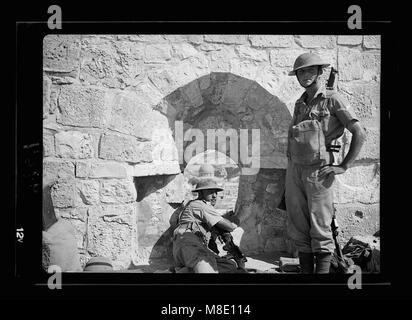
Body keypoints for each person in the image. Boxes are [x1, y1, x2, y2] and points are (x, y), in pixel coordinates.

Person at [285, 52, 366, 274]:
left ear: (321, 72)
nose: (304, 75)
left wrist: (344, 165)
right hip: (295, 171)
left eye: (310, 70)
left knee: (320, 227)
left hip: (319, 172)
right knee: (299, 227)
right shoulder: (300, 103)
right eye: (300, 72)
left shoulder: (333, 99)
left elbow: (359, 132)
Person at [172, 178, 241, 273]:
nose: (214, 196)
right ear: (200, 194)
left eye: (216, 192)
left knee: (229, 266)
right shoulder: (201, 205)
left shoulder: (193, 205)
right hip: (189, 242)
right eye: (210, 192)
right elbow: (230, 227)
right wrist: (235, 221)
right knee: (206, 266)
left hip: (189, 244)